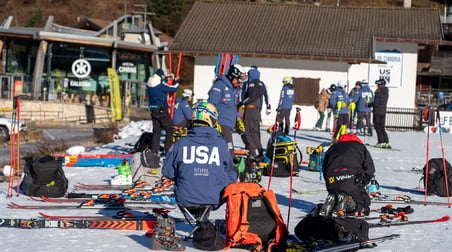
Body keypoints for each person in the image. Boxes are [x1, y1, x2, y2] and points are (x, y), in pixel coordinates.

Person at [162, 101, 237, 209]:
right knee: (233, 171)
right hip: (213, 199)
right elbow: (228, 169)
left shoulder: (180, 143)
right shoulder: (220, 144)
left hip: (185, 199)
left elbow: (167, 171)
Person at [319, 133, 376, 217]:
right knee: (363, 201)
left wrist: (330, 181)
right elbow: (370, 169)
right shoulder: (360, 147)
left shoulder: (332, 148)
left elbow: (324, 168)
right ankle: (348, 204)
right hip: (351, 179)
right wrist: (362, 182)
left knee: (337, 193)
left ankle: (333, 201)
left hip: (332, 180)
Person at [208, 64, 247, 157]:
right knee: (229, 153)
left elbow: (232, 107)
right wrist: (214, 121)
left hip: (229, 125)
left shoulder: (233, 90)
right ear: (232, 76)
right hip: (221, 125)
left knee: (227, 153)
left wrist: (237, 119)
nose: (240, 83)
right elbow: (211, 105)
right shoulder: (220, 86)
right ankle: (226, 170)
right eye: (239, 80)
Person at [147, 69, 179, 155]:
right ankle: (168, 150)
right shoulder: (160, 86)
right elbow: (174, 89)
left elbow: (161, 85)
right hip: (161, 110)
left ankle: (154, 151)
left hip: (153, 109)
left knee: (157, 131)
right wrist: (176, 81)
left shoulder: (150, 84)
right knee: (169, 129)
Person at [238, 77, 265, 161]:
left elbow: (250, 97)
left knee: (246, 132)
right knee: (255, 133)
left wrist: (241, 103)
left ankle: (253, 152)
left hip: (250, 111)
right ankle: (260, 152)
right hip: (256, 111)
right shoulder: (261, 84)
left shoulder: (252, 84)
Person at [373, 78, 390, 148]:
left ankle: (381, 141)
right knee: (382, 127)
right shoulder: (386, 92)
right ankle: (386, 141)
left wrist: (369, 104)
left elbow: (376, 103)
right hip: (383, 112)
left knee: (378, 127)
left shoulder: (378, 93)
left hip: (377, 112)